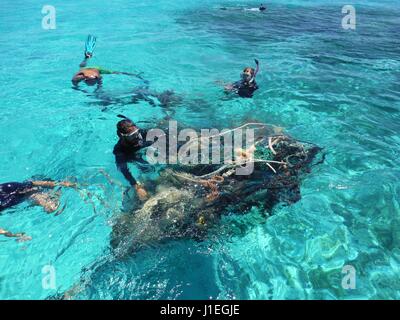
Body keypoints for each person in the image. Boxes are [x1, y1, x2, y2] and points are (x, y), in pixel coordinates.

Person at [0, 179, 76, 241]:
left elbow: (33, 184)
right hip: (24, 199)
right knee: (50, 209)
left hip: (32, 193)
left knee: (52, 208)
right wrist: (17, 235)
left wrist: (59, 183)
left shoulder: (6, 188)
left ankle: (58, 190)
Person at [72, 35, 143, 88]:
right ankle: (86, 57)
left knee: (114, 72)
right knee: (82, 65)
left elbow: (99, 84)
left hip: (96, 69)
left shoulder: (97, 76)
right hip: (87, 70)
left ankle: (87, 57)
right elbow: (74, 82)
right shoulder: (80, 77)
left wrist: (78, 87)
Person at [113, 115, 156, 201]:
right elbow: (124, 170)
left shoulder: (143, 133)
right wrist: (137, 187)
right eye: (132, 136)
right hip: (132, 155)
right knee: (146, 168)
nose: (137, 137)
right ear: (123, 136)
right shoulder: (120, 150)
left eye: (137, 133)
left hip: (144, 148)